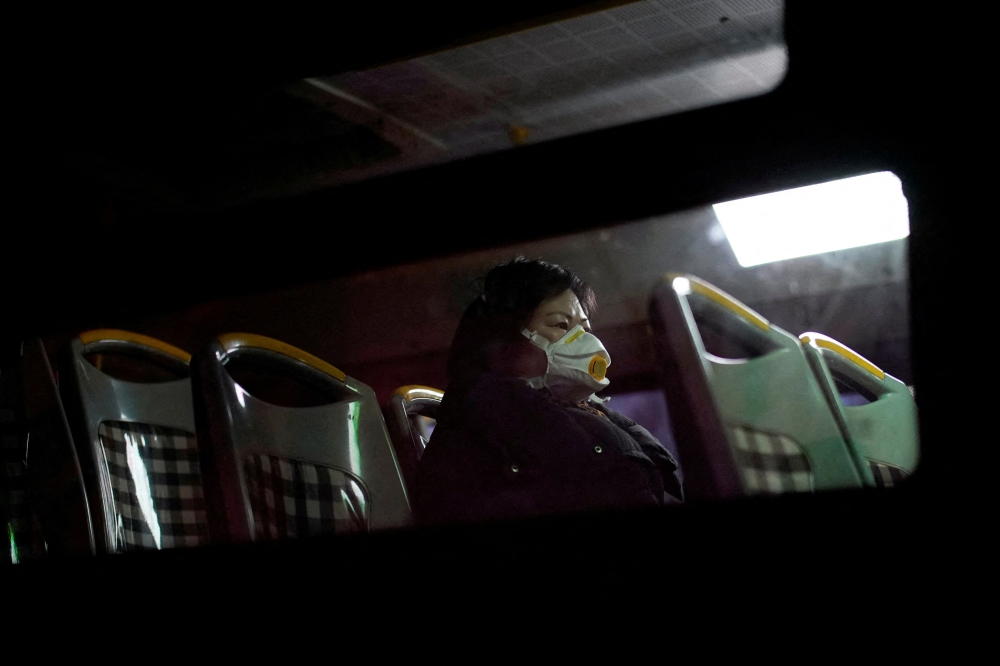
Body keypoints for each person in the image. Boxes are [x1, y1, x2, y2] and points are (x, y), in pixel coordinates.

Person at [413, 257, 683, 526]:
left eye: (584, 328)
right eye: (560, 325)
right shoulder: (491, 429)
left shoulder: (573, 414)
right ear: (502, 339)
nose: (583, 340)